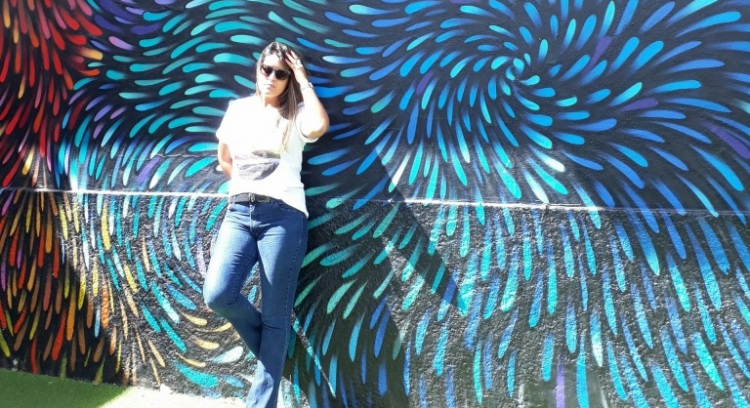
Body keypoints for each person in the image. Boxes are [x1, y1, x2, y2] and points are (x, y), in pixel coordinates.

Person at [203, 41, 329, 407]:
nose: (271, 77)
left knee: (276, 316)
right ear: (257, 69)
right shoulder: (238, 110)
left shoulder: (297, 113)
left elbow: (320, 125)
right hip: (239, 213)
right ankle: (276, 349)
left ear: (289, 79)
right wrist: (248, 186)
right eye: (266, 69)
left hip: (284, 216)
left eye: (281, 73)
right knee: (218, 293)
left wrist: (303, 79)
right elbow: (225, 159)